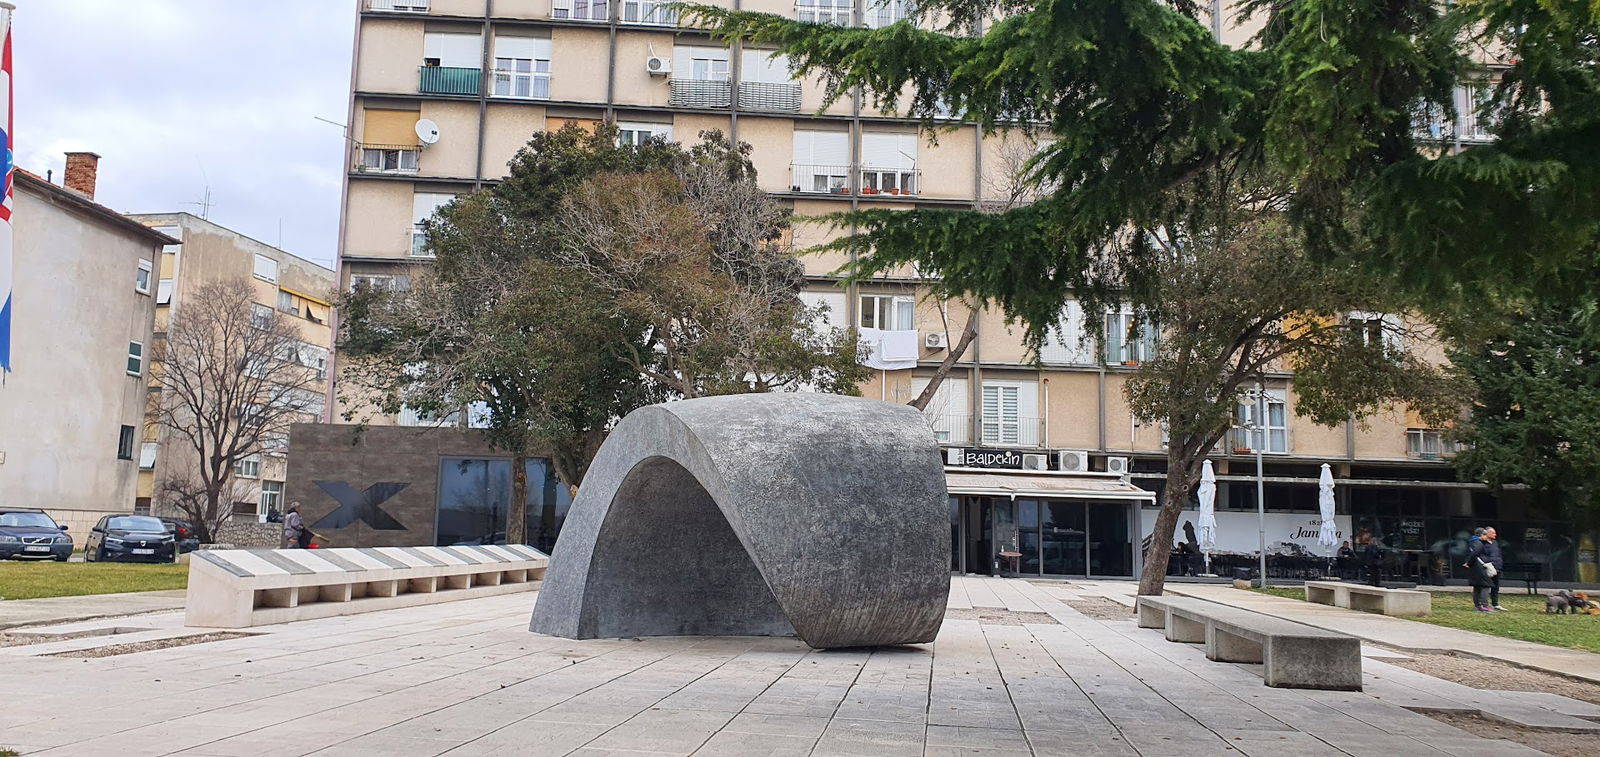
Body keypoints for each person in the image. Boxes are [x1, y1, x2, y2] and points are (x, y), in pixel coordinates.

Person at [1469, 526, 1505, 612]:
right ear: (1485, 534)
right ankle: (1482, 605)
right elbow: (1477, 554)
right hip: (1486, 567)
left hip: (1496, 567)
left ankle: (1494, 604)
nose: (1495, 535)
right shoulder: (1480, 543)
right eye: (1493, 533)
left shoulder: (1495, 543)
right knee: (1485, 585)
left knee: (1494, 587)